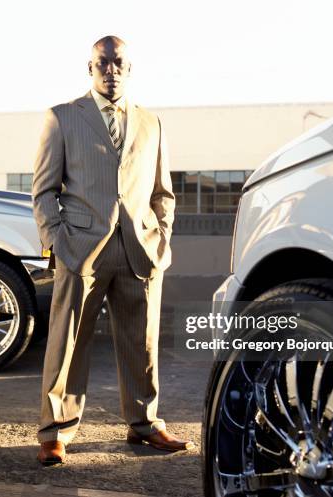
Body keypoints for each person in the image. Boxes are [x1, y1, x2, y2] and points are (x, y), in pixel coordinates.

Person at [32, 35, 193, 466]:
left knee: (143, 343)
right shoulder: (63, 117)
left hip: (140, 249)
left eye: (118, 62)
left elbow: (163, 193)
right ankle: (55, 431)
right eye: (102, 63)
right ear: (90, 68)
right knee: (68, 343)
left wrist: (161, 241)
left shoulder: (151, 122)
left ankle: (144, 424)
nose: (111, 70)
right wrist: (57, 243)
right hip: (81, 249)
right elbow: (44, 191)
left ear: (129, 68)